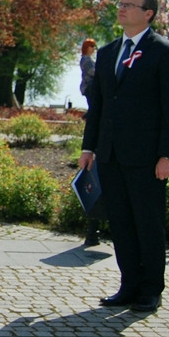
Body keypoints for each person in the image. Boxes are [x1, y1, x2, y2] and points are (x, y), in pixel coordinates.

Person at [79, 0, 169, 313]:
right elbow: (98, 105)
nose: (122, 9)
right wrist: (89, 147)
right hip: (110, 154)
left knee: (147, 222)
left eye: (129, 5)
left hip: (148, 158)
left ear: (148, 13)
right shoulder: (109, 52)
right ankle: (128, 285)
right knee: (122, 223)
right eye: (121, 4)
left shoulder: (164, 52)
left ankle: (151, 288)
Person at [78, 37, 100, 246]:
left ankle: (93, 231)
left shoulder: (87, 60)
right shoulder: (87, 61)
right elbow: (92, 74)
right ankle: (92, 231)